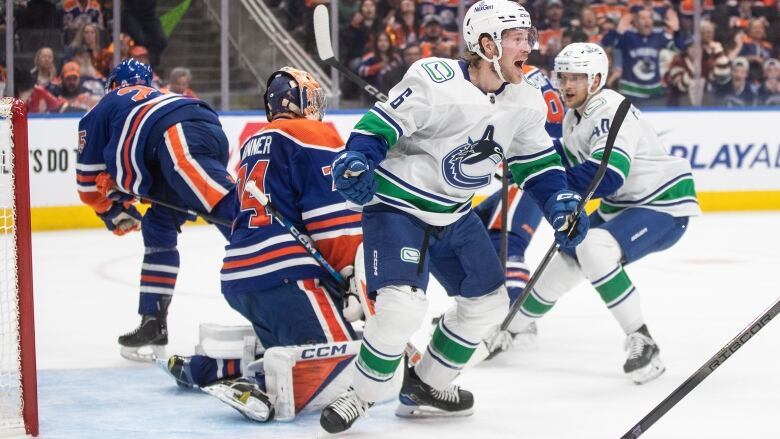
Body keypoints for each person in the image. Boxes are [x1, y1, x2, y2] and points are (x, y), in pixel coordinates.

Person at [318, 0, 588, 433]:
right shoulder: (434, 78)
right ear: (486, 44)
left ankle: (425, 385)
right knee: (402, 308)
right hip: (398, 207)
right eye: (517, 38)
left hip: (454, 213)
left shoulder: (525, 99)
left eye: (527, 37)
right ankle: (361, 394)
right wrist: (357, 161)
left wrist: (560, 201)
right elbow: (376, 129)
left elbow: (537, 165)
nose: (529, 47)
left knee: (489, 305)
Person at [489, 42, 701, 385]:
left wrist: (546, 181)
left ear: (597, 78)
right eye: (564, 77)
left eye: (577, 77)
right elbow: (564, 158)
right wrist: (527, 165)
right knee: (563, 263)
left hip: (662, 204)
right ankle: (507, 329)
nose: (567, 85)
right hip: (622, 206)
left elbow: (607, 173)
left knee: (593, 247)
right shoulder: (577, 114)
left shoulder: (607, 107)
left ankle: (642, 339)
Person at [161, 67, 365, 422]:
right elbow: (330, 217)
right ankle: (255, 381)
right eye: (311, 97)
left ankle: (209, 367)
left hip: (241, 276)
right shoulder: (312, 134)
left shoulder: (253, 143)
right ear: (295, 100)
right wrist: (350, 275)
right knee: (347, 361)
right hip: (287, 275)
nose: (315, 106)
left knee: (291, 347)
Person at [76, 59, 236, 362]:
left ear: (112, 85)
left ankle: (285, 273)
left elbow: (87, 187)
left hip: (178, 138)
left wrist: (111, 213)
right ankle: (153, 322)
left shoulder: (104, 106)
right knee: (159, 228)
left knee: (229, 213)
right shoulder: (157, 96)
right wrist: (120, 196)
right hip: (199, 132)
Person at [473, 62, 565, 353]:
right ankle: (484, 313)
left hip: (531, 169)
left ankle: (515, 319)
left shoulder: (513, 76)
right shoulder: (530, 73)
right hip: (532, 164)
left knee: (507, 242)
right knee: (481, 232)